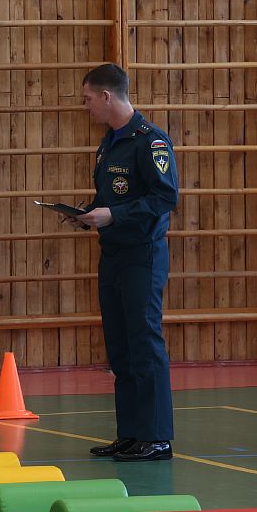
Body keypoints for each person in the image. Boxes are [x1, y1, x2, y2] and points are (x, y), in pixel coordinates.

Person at [68, 63, 180, 461]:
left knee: (144, 342)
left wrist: (113, 215)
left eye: (87, 99)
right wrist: (88, 214)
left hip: (142, 255)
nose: (85, 106)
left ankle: (156, 436)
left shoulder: (151, 141)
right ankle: (132, 433)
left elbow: (165, 197)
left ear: (106, 96)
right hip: (113, 254)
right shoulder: (109, 143)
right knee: (120, 347)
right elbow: (111, 198)